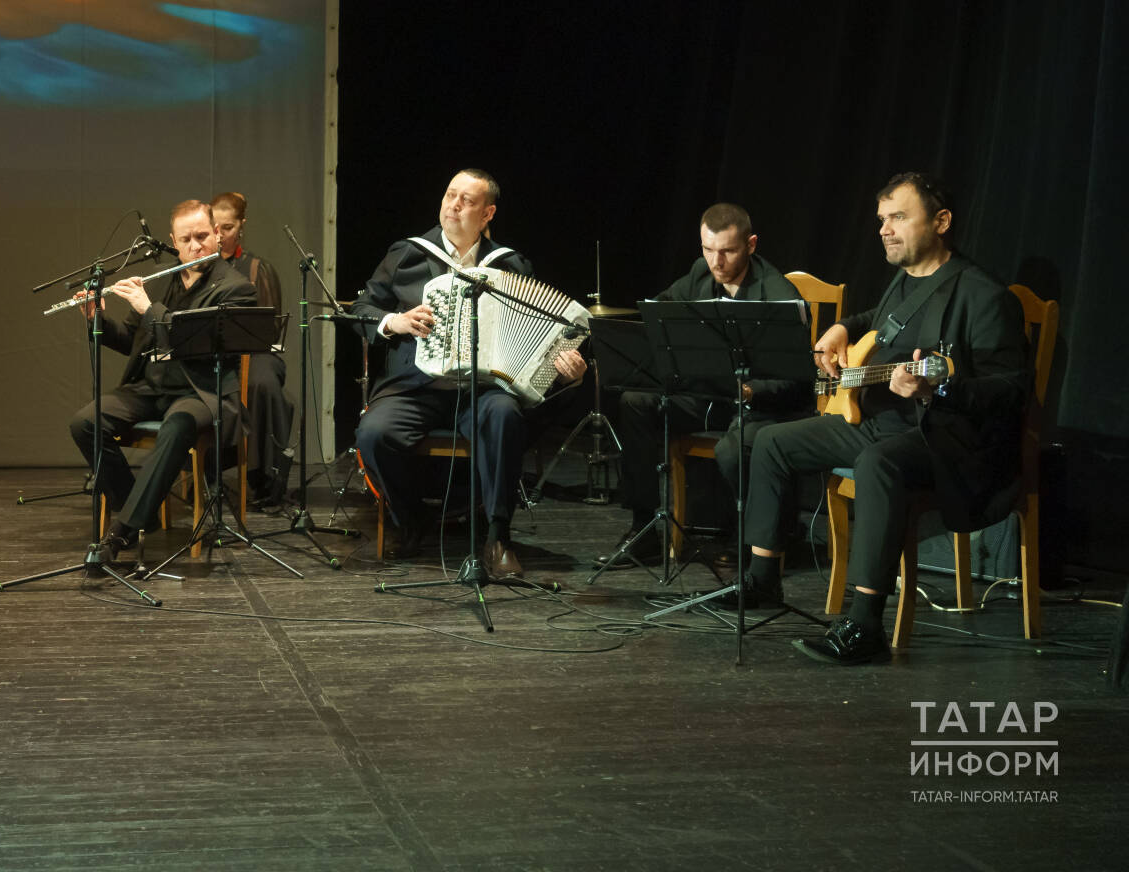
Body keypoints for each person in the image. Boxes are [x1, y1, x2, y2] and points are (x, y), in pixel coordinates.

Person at [725, 173, 1027, 664]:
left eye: (899, 217)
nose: (884, 229)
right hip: (879, 422)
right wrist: (842, 328)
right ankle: (762, 580)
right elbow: (877, 321)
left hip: (944, 434)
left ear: (941, 221)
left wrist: (940, 387)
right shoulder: (905, 281)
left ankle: (865, 625)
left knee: (878, 463)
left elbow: (1011, 390)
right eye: (882, 219)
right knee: (770, 442)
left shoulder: (984, 295)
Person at [352, 170, 586, 575]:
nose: (454, 205)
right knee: (373, 434)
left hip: (483, 389)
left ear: (487, 213)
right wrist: (395, 321)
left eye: (467, 200)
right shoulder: (407, 255)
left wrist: (565, 367)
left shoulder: (510, 264)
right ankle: (410, 519)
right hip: (415, 388)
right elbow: (360, 310)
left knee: (504, 415)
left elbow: (540, 336)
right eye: (450, 195)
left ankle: (497, 536)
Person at [597, 203, 811, 568]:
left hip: (762, 405)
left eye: (727, 251)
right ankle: (643, 528)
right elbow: (659, 310)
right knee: (636, 401)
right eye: (708, 249)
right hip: (711, 396)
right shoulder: (701, 272)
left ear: (751, 245)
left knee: (736, 447)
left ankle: (758, 538)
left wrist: (751, 390)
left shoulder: (778, 293)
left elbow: (795, 377)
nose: (717, 261)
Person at [69, 200, 259, 561]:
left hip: (201, 391)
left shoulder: (234, 288)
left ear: (217, 234)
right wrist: (97, 321)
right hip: (152, 387)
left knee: (178, 425)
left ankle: (122, 531)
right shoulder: (160, 279)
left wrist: (148, 309)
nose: (195, 246)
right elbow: (132, 340)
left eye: (202, 236)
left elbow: (198, 346)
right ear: (174, 241)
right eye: (186, 239)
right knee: (85, 423)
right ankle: (141, 512)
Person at [209, 191, 294, 507]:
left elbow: (269, 331)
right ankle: (206, 473)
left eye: (228, 228)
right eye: (215, 228)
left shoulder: (257, 268)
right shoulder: (197, 268)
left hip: (255, 352)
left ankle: (264, 477)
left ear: (241, 226)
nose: (220, 236)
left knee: (261, 381)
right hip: (212, 353)